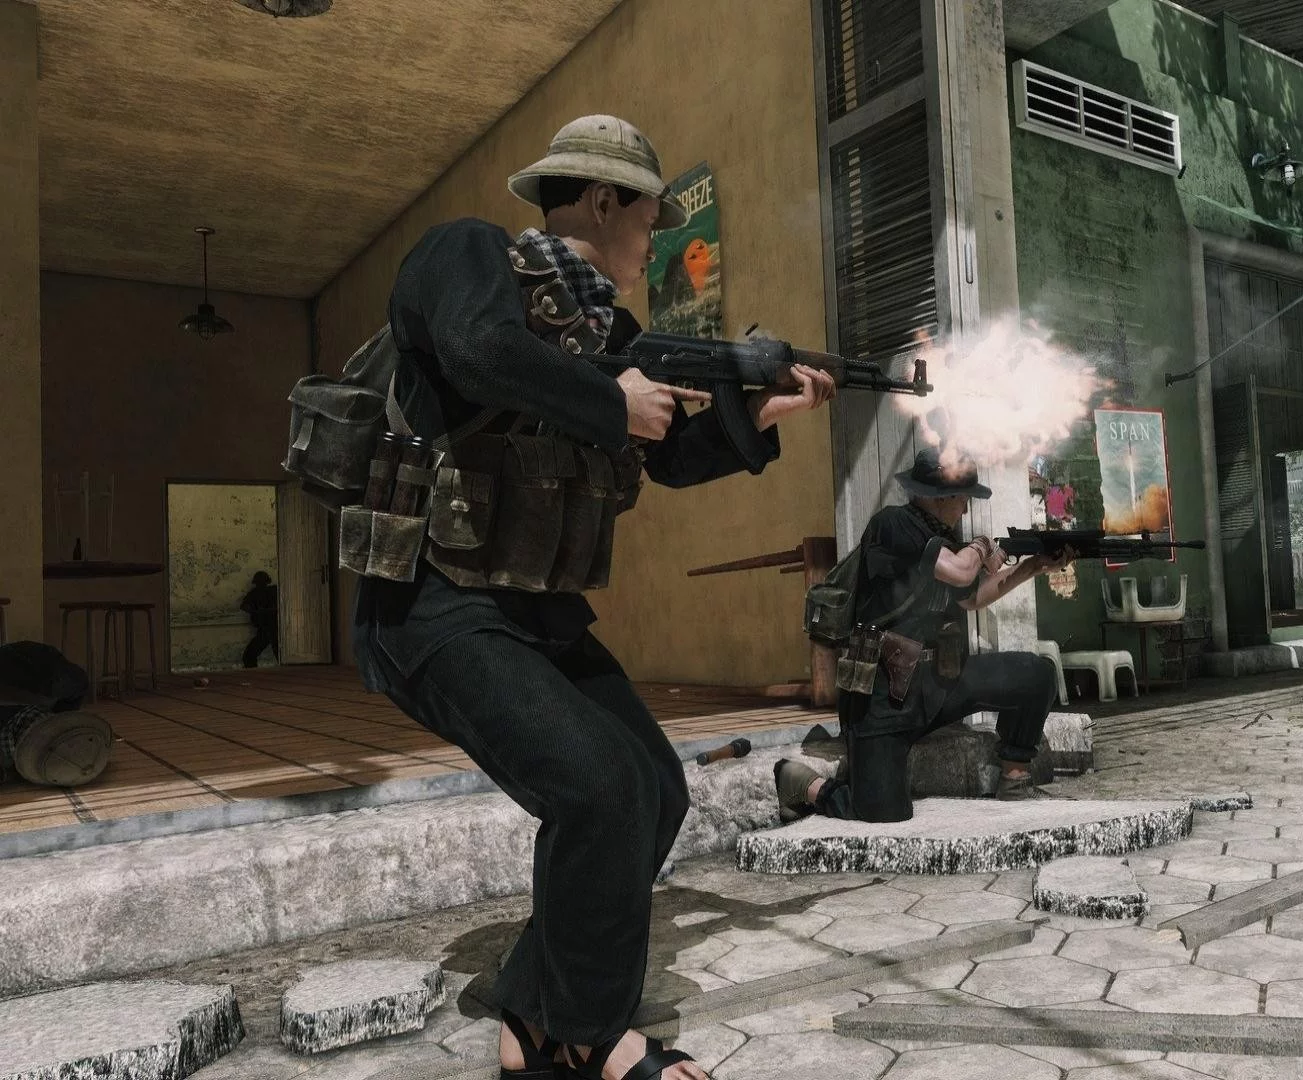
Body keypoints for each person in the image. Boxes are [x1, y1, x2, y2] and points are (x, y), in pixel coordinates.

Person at [352, 115, 833, 1080]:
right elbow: (477, 349)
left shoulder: (611, 334)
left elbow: (667, 455)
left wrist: (761, 411)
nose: (654, 243)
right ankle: (586, 1038)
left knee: (652, 787)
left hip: (539, 612)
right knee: (599, 789)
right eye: (650, 220)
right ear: (603, 200)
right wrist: (613, 400)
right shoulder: (468, 256)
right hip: (434, 603)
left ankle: (533, 1021)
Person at [773, 448, 1072, 823]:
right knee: (883, 813)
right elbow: (960, 571)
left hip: (937, 684)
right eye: (963, 498)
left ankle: (1014, 778)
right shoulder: (892, 525)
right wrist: (982, 546)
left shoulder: (942, 537)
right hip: (883, 699)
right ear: (942, 496)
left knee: (1036, 674)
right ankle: (803, 784)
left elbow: (971, 597)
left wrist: (1034, 566)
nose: (966, 508)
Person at [240, 571, 278, 668]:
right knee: (249, 655)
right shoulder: (257, 593)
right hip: (268, 630)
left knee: (249, 655)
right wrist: (256, 611)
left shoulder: (273, 591)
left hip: (273, 629)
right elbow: (244, 606)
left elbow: (245, 606)